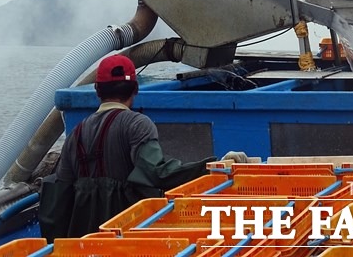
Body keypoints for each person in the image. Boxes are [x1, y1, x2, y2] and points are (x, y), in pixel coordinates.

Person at [38, 54, 247, 241]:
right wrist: (214, 165)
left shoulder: (76, 134)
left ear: (97, 90)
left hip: (84, 241)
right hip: (126, 234)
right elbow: (158, 173)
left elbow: (61, 193)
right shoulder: (137, 124)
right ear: (135, 89)